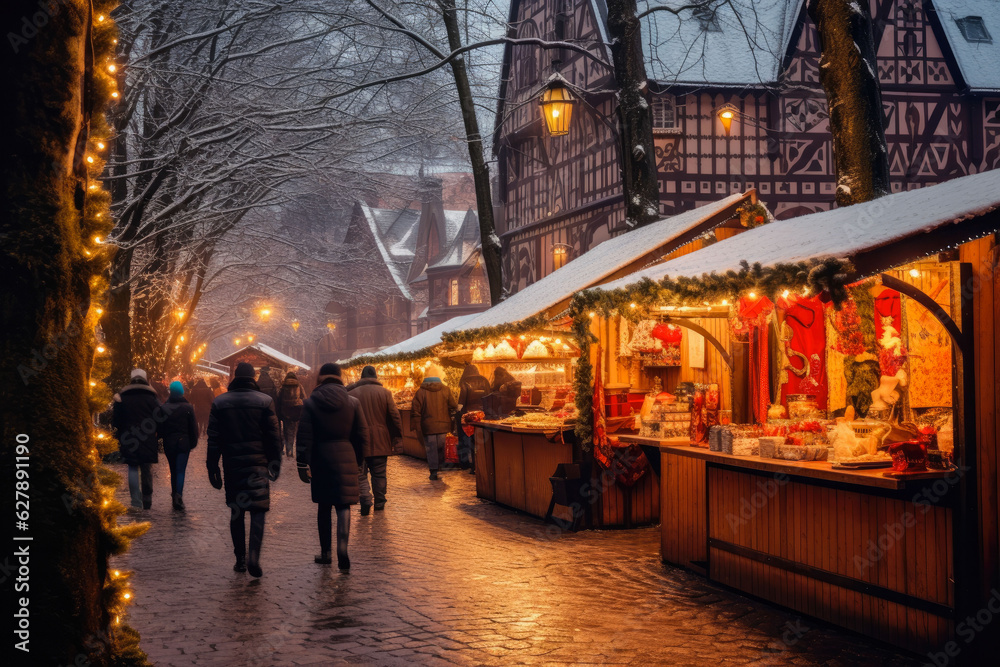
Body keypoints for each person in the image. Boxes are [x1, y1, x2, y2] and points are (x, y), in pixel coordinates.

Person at [207, 362, 281, 578]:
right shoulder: (265, 402)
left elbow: (214, 439)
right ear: (253, 377)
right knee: (258, 509)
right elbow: (274, 437)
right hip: (259, 463)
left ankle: (240, 558)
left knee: (237, 511)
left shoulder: (220, 403)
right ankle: (253, 557)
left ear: (235, 377)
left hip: (233, 464)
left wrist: (212, 467)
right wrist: (274, 462)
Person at [297, 362, 369, 570]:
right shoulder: (353, 402)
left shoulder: (310, 403)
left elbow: (304, 436)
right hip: (346, 455)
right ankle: (343, 549)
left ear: (321, 378)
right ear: (339, 378)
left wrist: (302, 463)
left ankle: (326, 553)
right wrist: (360, 461)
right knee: (343, 504)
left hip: (321, 458)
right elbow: (362, 435)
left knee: (324, 506)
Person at [347, 365, 403, 514]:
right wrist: (396, 436)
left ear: (361, 377)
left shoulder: (352, 393)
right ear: (376, 377)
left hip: (358, 440)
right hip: (380, 439)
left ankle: (365, 497)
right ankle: (380, 501)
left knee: (360, 472)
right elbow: (395, 415)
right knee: (379, 473)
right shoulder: (385, 393)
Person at [112, 368, 162, 510]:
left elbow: (116, 420)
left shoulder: (122, 397)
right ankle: (147, 499)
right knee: (146, 468)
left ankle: (135, 501)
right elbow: (159, 417)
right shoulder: (152, 398)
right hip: (147, 437)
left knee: (132, 467)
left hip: (129, 437)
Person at [410, 364, 457, 481]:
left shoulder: (420, 392)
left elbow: (415, 410)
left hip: (428, 426)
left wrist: (416, 426)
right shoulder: (446, 389)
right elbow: (453, 405)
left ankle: (433, 471)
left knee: (431, 448)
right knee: (441, 447)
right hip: (443, 425)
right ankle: (440, 466)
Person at [160, 381, 198, 511]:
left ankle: (174, 495)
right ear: (182, 391)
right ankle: (178, 496)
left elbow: (160, 427)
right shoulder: (188, 407)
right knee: (180, 470)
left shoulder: (164, 407)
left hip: (169, 443)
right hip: (183, 443)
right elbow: (193, 427)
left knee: (173, 470)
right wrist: (192, 443)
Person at [456, 364, 490, 474]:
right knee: (481, 440)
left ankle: (473, 466)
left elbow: (461, 402)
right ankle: (483, 465)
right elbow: (489, 397)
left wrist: (458, 412)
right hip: (482, 415)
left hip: (470, 416)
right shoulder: (484, 380)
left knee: (470, 440)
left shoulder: (465, 382)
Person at [276, 371, 306, 458]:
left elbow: (278, 397)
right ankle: (291, 449)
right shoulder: (299, 385)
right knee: (293, 431)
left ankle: (288, 448)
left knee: (286, 430)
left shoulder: (283, 386)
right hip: (296, 411)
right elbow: (304, 397)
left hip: (285, 411)